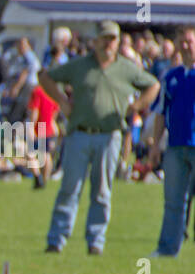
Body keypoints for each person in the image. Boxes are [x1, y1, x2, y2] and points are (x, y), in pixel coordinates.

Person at [39, 22, 159, 254]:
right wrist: (62, 102)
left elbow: (153, 85)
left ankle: (96, 241)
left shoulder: (126, 68)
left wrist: (137, 105)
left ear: (118, 41)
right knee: (69, 188)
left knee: (102, 191)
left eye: (112, 39)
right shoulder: (79, 66)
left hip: (110, 135)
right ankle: (57, 239)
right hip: (80, 134)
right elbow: (46, 78)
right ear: (95, 41)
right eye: (104, 38)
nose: (108, 43)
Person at [148, 27, 195, 257]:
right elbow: (159, 112)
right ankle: (167, 248)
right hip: (176, 146)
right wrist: (156, 144)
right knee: (174, 200)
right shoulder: (170, 76)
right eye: (182, 42)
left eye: (189, 41)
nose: (185, 46)